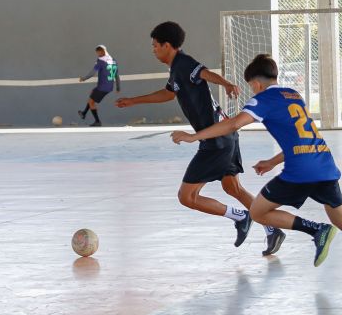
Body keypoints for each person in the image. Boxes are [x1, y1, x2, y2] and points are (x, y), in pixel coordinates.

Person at [171, 54, 342, 279]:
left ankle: (316, 229)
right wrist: (273, 161)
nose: (252, 90)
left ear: (257, 84)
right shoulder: (294, 95)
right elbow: (300, 137)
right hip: (324, 165)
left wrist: (194, 136)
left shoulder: (262, 100)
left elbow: (233, 125)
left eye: (251, 86)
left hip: (299, 172)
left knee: (257, 212)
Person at [116, 22, 286, 255]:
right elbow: (168, 92)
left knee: (187, 197)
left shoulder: (185, 63)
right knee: (232, 187)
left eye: (155, 46)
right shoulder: (176, 69)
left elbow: (204, 73)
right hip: (225, 135)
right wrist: (133, 101)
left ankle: (241, 217)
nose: (153, 50)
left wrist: (226, 83)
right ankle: (272, 229)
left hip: (215, 139)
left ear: (167, 45)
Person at [78, 45, 121, 127]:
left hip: (102, 87)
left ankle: (97, 121)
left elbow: (93, 73)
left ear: (103, 51)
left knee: (91, 102)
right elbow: (116, 75)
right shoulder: (113, 60)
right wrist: (118, 87)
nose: (98, 55)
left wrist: (83, 78)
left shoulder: (101, 61)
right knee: (92, 92)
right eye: (97, 53)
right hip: (109, 87)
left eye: (99, 53)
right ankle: (84, 113)